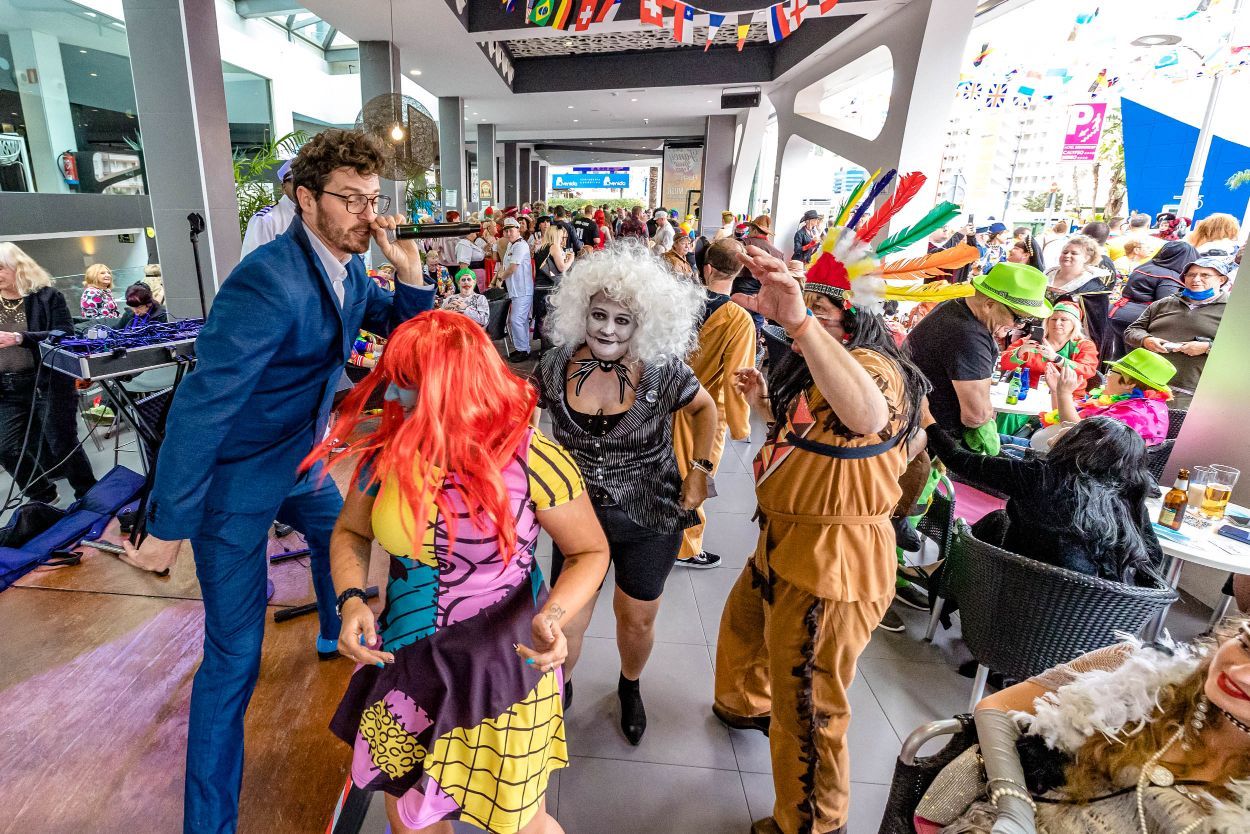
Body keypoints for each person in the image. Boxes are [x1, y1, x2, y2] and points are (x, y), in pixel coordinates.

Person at [120, 128, 434, 834]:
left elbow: (409, 337)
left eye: (372, 199)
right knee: (233, 661)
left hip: (298, 461)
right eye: (349, 199)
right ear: (304, 198)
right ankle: (208, 824)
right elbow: (203, 407)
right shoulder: (266, 280)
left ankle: (334, 628)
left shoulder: (350, 271)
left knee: (338, 533)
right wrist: (168, 527)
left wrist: (409, 271)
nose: (365, 213)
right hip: (234, 482)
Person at [314, 312, 610, 834]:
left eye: (411, 384)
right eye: (396, 380)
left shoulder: (532, 459)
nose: (396, 398)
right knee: (408, 812)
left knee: (522, 821)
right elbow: (351, 533)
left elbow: (589, 551)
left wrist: (556, 617)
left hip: (504, 670)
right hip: (405, 662)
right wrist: (352, 598)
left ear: (455, 386)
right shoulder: (387, 455)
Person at [715, 243, 928, 834]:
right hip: (784, 542)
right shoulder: (821, 371)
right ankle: (742, 704)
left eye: (822, 312)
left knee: (809, 703)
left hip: (832, 563)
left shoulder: (877, 369)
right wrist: (762, 401)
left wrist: (801, 324)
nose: (800, 319)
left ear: (853, 323)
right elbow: (816, 440)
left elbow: (864, 417)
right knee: (743, 628)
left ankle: (811, 821)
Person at [536, 243, 717, 745]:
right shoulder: (553, 367)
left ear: (645, 325)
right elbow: (524, 423)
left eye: (623, 319)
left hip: (650, 516)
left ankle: (629, 685)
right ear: (580, 313)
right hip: (577, 519)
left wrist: (699, 470)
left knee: (635, 619)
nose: (607, 329)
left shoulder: (662, 370)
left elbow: (706, 409)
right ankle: (556, 691)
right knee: (566, 620)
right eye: (598, 315)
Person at [925, 621, 1250, 834]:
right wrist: (1015, 811)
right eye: (1246, 645)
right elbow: (995, 707)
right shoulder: (1140, 670)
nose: (1240, 674)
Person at [925, 411, 1162, 581]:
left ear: (1080, 445)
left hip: (1020, 590)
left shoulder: (1040, 477)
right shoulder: (1128, 498)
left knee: (995, 523)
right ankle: (940, 573)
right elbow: (1153, 557)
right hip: (1093, 618)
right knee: (997, 521)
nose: (1068, 427)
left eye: (1075, 430)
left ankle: (941, 581)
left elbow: (958, 459)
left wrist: (927, 418)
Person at [905, 262, 1053, 453]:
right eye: (1019, 319)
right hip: (932, 443)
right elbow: (975, 416)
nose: (1018, 327)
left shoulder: (955, 306)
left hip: (919, 429)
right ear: (989, 304)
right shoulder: (968, 336)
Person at [672, 238, 755, 570]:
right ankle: (686, 547)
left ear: (707, 267)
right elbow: (739, 379)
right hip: (705, 410)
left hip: (663, 400)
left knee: (664, 469)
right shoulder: (738, 320)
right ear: (740, 270)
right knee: (697, 475)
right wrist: (740, 425)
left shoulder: (679, 302)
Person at [0, 243, 97, 504]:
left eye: (0, 268)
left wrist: (20, 337)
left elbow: (65, 334)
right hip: (7, 387)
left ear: (19, 268)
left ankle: (90, 494)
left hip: (47, 382)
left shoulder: (47, 297)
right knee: (6, 447)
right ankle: (42, 493)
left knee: (61, 443)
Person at [1124, 255, 1234, 406]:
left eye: (1205, 275)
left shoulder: (1233, 309)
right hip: (1144, 382)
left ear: (1221, 280)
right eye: (1191, 275)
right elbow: (1132, 330)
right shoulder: (1164, 304)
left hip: (1190, 391)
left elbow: (1240, 349)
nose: (1196, 279)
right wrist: (1146, 340)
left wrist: (1207, 348)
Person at [1041, 347, 1176, 446]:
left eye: (1112, 371)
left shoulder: (1134, 415)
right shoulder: (1122, 401)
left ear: (1130, 383)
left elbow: (1076, 435)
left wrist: (1064, 393)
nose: (1107, 375)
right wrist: (1056, 392)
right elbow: (1063, 418)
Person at [1108, 240, 1197, 354]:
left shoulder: (1145, 266)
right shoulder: (1170, 277)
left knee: (1117, 354)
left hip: (1117, 312)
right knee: (1134, 358)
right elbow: (1166, 305)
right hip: (1137, 320)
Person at [999, 300, 1098, 398]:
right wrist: (1020, 351)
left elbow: (1088, 371)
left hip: (1070, 399)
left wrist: (1056, 358)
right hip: (1030, 396)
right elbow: (1002, 363)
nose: (1057, 323)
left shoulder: (1085, 345)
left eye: (1063, 320)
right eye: (1053, 319)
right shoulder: (1030, 341)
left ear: (1074, 324)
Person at [1046, 234, 1115, 359]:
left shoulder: (1093, 289)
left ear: (1087, 257)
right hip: (1038, 335)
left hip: (1071, 345)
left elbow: (1095, 327)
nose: (1067, 255)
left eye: (1074, 253)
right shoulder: (1045, 277)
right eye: (1065, 252)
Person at [736, 215, 786, 330]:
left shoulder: (743, 243)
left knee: (739, 319)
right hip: (763, 290)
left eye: (750, 229)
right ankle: (755, 343)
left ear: (754, 229)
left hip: (741, 287)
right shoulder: (778, 253)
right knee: (757, 319)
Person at [240, 159, 297, 256]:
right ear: (284, 187)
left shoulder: (316, 213)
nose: (303, 188)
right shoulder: (265, 220)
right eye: (296, 182)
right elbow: (253, 266)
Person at [498, 216, 535, 362]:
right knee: (521, 320)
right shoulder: (511, 245)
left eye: (510, 230)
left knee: (516, 320)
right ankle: (523, 348)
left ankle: (522, 350)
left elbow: (512, 268)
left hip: (523, 289)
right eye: (506, 231)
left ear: (517, 229)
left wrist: (501, 278)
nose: (508, 233)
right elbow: (505, 264)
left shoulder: (521, 245)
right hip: (515, 289)